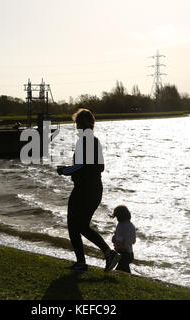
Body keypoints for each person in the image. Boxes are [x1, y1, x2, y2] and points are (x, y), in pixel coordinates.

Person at [57, 108, 121, 273]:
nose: (76, 127)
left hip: (84, 189)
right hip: (94, 189)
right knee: (82, 226)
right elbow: (100, 167)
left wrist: (64, 170)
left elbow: (81, 165)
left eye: (77, 123)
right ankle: (108, 254)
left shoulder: (84, 141)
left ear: (81, 124)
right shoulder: (95, 141)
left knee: (74, 225)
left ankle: (83, 262)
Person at [111, 205, 136, 274]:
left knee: (119, 270)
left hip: (122, 253)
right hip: (130, 253)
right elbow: (133, 241)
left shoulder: (120, 226)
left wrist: (114, 239)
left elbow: (119, 241)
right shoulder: (132, 226)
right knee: (124, 269)